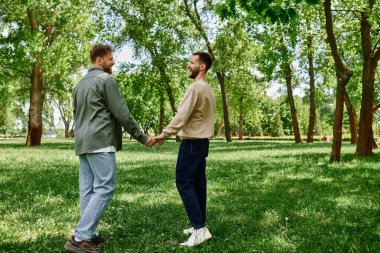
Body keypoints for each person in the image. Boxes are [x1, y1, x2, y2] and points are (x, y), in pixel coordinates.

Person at [64, 44, 156, 253]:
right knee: (105, 187)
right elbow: (121, 113)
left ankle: (90, 233)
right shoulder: (107, 80)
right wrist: (142, 137)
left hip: (83, 142)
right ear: (99, 60)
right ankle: (79, 237)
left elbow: (78, 114)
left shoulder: (79, 84)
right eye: (110, 58)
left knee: (88, 190)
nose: (113, 62)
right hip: (100, 141)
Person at [155, 51, 215, 247]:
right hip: (202, 143)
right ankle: (199, 225)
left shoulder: (195, 88)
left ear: (202, 66)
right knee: (198, 183)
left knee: (183, 182)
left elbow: (182, 116)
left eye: (192, 62)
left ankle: (199, 229)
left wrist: (164, 134)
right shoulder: (207, 89)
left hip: (191, 143)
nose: (188, 65)